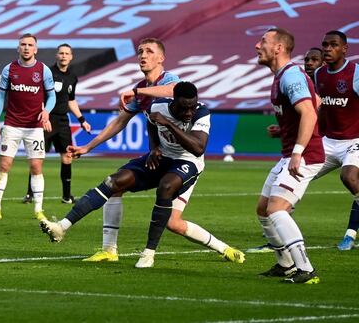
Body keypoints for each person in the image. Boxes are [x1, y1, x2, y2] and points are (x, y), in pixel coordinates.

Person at [41, 82, 237, 269]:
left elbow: (198, 147)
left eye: (191, 107)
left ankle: (148, 253)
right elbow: (152, 124)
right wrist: (154, 149)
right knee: (113, 181)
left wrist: (169, 124)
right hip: (162, 157)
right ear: (173, 101)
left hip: (188, 162)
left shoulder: (201, 113)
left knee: (166, 188)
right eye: (184, 108)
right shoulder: (159, 106)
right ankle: (62, 227)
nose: (188, 112)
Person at [254, 27, 324, 284]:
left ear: (278, 48)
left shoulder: (291, 74)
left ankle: (306, 269)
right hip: (291, 152)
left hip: (304, 155)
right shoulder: (282, 75)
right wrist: (285, 129)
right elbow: (316, 103)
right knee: (263, 209)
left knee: (276, 209)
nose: (257, 46)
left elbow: (308, 112)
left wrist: (298, 151)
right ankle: (285, 264)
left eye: (263, 41)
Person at [0, 33, 56, 221]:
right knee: (4, 164)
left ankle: (38, 209)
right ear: (18, 48)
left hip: (34, 127)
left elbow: (51, 96)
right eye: (23, 44)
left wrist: (47, 112)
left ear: (35, 49)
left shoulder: (43, 70)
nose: (26, 48)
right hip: (12, 124)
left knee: (36, 166)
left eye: (30, 45)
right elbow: (1, 96)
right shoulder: (9, 69)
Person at [22, 43, 91, 205]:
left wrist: (82, 120)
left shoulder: (72, 77)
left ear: (71, 57)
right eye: (61, 53)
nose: (64, 56)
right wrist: (43, 117)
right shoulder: (48, 73)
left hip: (62, 121)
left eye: (67, 53)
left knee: (67, 157)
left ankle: (66, 196)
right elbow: (38, 96)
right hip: (46, 119)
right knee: (37, 158)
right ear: (57, 55)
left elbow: (71, 100)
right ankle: (29, 194)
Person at [313, 30, 359, 251]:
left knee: (349, 177)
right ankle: (276, 239)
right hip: (329, 141)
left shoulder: (355, 73)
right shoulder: (319, 75)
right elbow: (316, 109)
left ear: (344, 48)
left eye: (333, 45)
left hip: (355, 140)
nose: (327, 49)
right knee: (294, 177)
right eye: (325, 45)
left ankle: (349, 236)